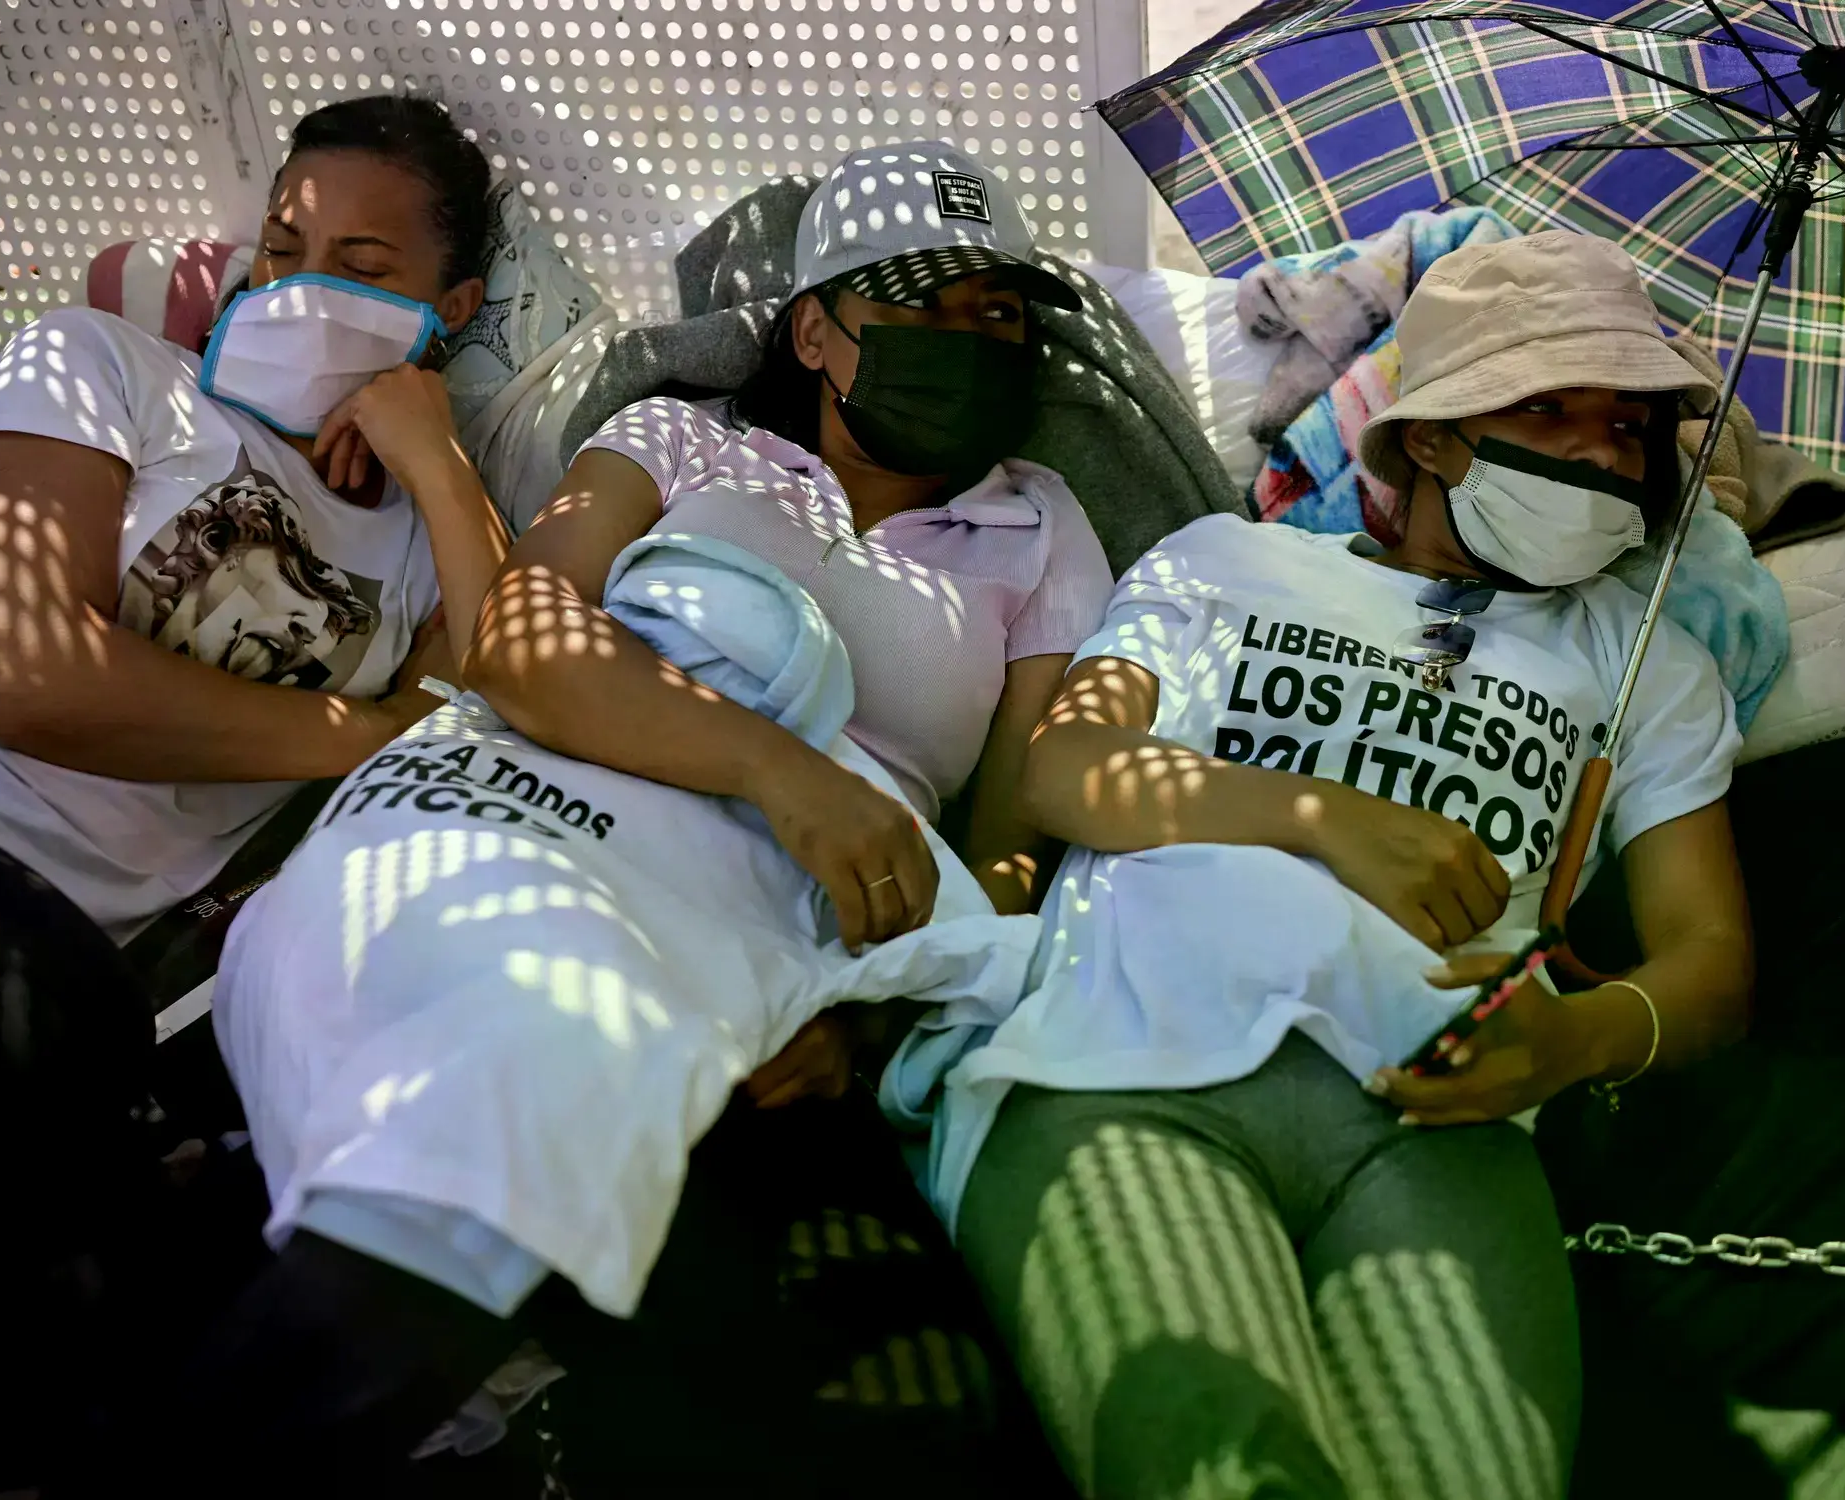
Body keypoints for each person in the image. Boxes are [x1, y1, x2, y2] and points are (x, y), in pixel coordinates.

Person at [92, 142, 1116, 1496]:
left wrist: (875, 1019)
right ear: (814, 329)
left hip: (766, 942)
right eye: (921, 302)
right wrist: (774, 768)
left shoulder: (1036, 524)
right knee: (495, 1122)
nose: (968, 340)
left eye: (998, 313)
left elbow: (1010, 830)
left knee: (892, 1400)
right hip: (533, 820)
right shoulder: (681, 437)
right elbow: (519, 638)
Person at [934, 231, 1755, 1500]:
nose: (1599, 450)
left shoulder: (1647, 664)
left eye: (1630, 428)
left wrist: (1576, 1039)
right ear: (1428, 437)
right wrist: (1320, 814)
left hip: (1438, 1123)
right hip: (1128, 1063)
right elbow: (1064, 767)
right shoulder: (1227, 564)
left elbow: (1708, 963)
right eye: (1548, 407)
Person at [0, 94, 507, 1491]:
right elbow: (22, 670)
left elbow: (491, 704)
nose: (302, 283)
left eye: (365, 270)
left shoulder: (426, 551)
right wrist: (345, 729)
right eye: (283, 242)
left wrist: (437, 464)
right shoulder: (102, 367)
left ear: (454, 306)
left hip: (90, 978)